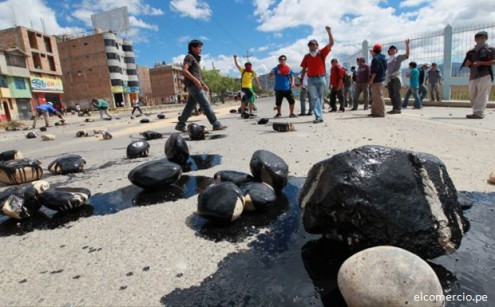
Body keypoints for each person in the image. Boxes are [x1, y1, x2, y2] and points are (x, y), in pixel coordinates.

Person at [175, 39, 226, 132]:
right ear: (193, 48)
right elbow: (184, 71)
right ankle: (215, 124)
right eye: (199, 47)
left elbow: (196, 74)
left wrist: (203, 84)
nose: (201, 49)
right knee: (206, 104)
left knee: (189, 106)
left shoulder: (195, 59)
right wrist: (196, 81)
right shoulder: (189, 57)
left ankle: (180, 124)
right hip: (193, 86)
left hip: (194, 85)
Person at [300, 26, 334, 124]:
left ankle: (319, 115)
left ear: (317, 46)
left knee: (320, 97)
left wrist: (329, 32)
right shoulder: (306, 57)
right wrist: (302, 80)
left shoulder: (321, 53)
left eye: (314, 45)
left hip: (321, 78)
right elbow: (303, 69)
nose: (312, 46)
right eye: (310, 45)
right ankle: (318, 117)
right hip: (311, 79)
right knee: (314, 98)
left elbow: (331, 43)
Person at [462, 30, 495, 119]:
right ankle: (476, 110)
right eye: (478, 38)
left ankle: (479, 113)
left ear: (486, 39)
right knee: (473, 96)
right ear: (475, 39)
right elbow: (465, 64)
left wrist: (482, 63)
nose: (480, 39)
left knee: (482, 94)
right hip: (473, 75)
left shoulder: (491, 50)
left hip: (485, 74)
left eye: (483, 38)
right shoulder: (471, 52)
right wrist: (467, 64)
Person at [386, 39, 410, 114]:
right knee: (391, 94)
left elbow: (407, 54)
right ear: (389, 51)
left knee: (397, 93)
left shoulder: (398, 57)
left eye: (394, 50)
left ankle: (398, 108)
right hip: (389, 78)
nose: (392, 51)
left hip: (396, 78)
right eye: (391, 50)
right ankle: (394, 107)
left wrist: (407, 45)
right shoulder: (387, 60)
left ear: (396, 51)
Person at [368, 43, 388, 117]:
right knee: (376, 96)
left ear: (374, 51)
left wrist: (371, 80)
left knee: (378, 96)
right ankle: (375, 112)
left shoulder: (375, 59)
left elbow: (374, 71)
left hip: (376, 80)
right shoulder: (383, 58)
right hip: (381, 79)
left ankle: (381, 112)